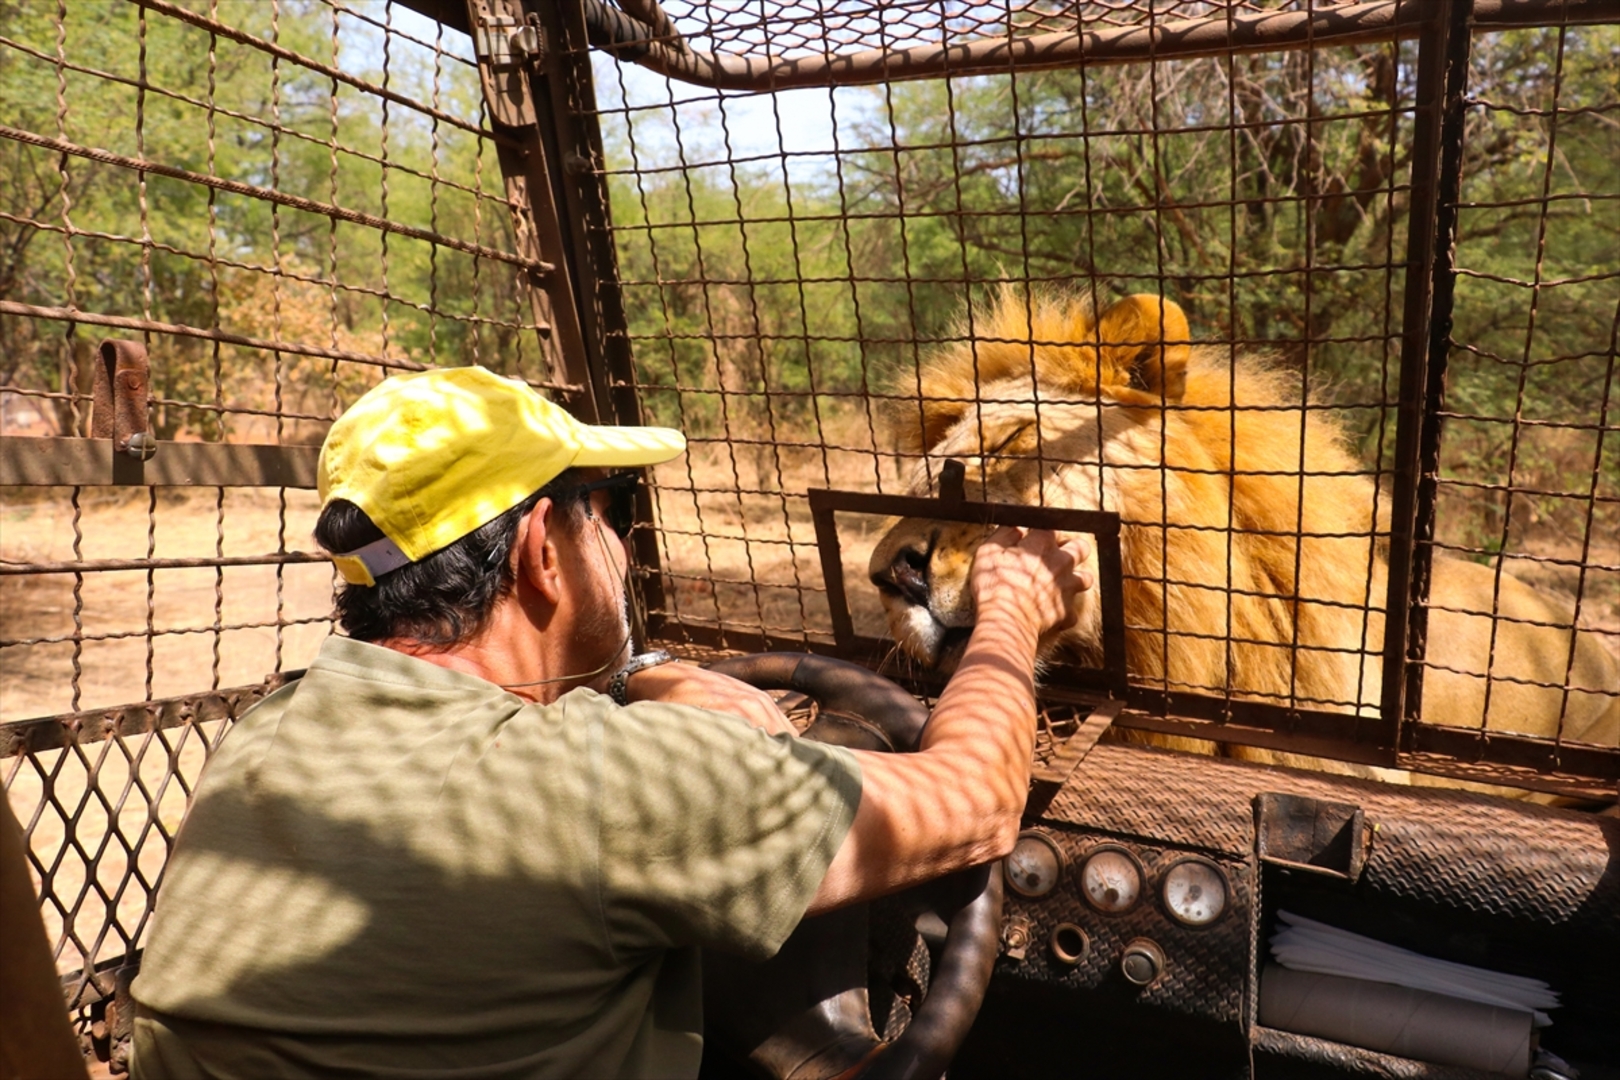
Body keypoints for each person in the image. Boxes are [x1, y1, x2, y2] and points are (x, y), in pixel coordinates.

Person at [128, 366, 1090, 1079]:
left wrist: (641, 678)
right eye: (608, 511)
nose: (623, 549)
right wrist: (1011, 612)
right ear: (544, 552)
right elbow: (977, 802)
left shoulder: (265, 735)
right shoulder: (609, 788)